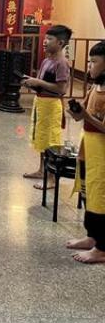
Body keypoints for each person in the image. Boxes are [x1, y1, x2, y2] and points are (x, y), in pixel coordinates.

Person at [66, 41, 105, 264]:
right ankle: (92, 236)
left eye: (94, 62)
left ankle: (102, 248)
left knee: (101, 194)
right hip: (88, 146)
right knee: (89, 190)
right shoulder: (94, 88)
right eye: (89, 61)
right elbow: (84, 111)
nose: (89, 66)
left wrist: (87, 116)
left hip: (102, 150)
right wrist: (76, 111)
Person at [21, 25, 72, 190]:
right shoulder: (46, 60)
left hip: (51, 105)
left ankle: (51, 178)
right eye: (45, 38)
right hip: (41, 103)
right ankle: (42, 170)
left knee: (51, 140)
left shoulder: (62, 63)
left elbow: (61, 89)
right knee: (41, 137)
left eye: (50, 39)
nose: (45, 41)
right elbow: (43, 83)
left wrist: (38, 82)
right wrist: (32, 82)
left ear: (61, 43)